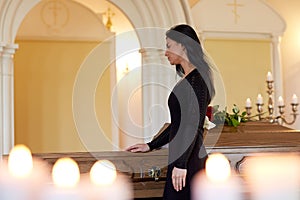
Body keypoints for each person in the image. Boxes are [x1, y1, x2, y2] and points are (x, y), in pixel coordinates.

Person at [126, 24, 215, 200]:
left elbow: (192, 126)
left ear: (183, 45)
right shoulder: (189, 78)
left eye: (169, 46)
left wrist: (182, 164)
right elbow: (178, 124)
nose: (165, 52)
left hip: (188, 160)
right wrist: (150, 145)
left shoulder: (197, 79)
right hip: (182, 157)